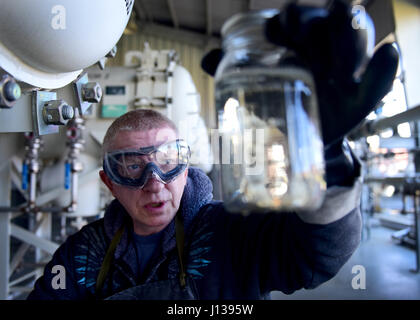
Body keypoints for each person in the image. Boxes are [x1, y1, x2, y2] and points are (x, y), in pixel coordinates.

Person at [28, 0, 398, 300]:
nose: (154, 184)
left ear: (187, 167)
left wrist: (327, 154)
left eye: (168, 163)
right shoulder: (80, 256)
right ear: (108, 182)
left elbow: (318, 254)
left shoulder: (233, 235)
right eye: (131, 167)